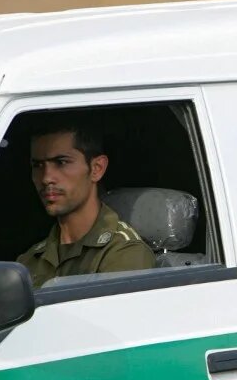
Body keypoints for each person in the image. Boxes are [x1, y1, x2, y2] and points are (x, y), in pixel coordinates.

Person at [17, 118, 155, 288]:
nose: (46, 178)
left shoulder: (123, 252)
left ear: (97, 168)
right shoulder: (31, 259)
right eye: (38, 165)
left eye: (61, 162)